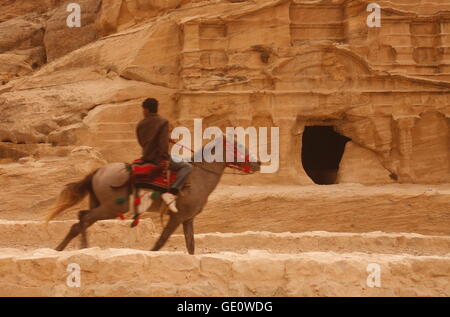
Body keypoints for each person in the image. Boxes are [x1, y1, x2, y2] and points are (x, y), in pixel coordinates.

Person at [136, 98, 193, 212]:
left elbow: (142, 141)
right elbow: (162, 145)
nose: (143, 112)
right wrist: (164, 159)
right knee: (187, 166)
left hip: (146, 157)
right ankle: (172, 192)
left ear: (146, 109)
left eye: (143, 109)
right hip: (158, 158)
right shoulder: (163, 122)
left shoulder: (141, 123)